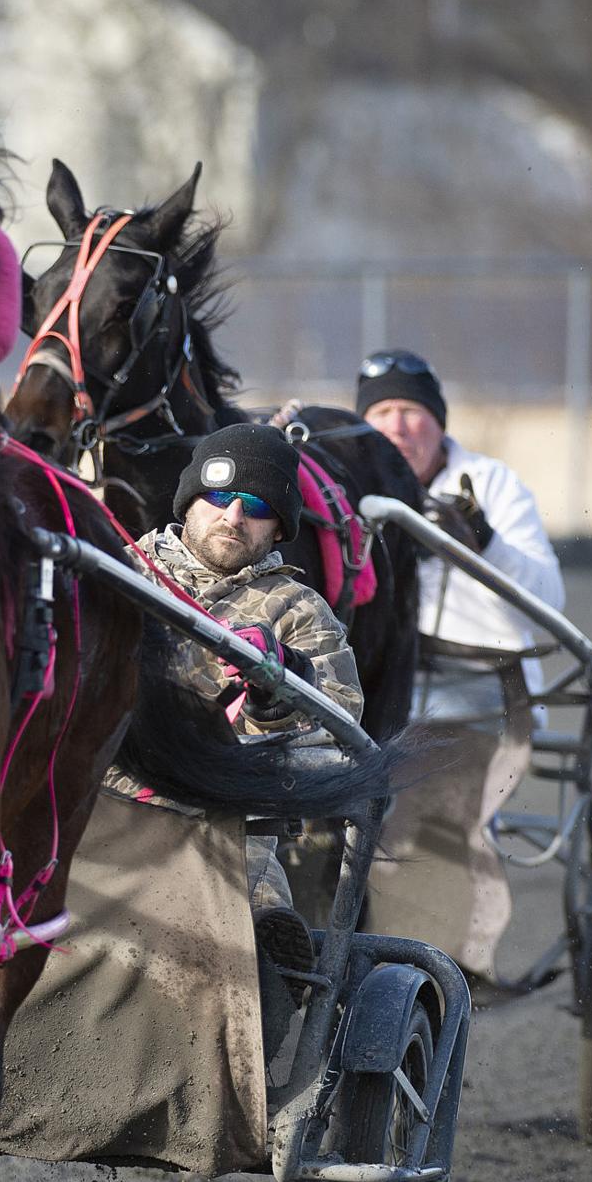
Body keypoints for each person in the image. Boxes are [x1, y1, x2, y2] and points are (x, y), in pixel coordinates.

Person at [102, 423, 364, 1016]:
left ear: (279, 526)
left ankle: (266, 971)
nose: (233, 517)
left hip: (225, 824)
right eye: (220, 498)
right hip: (101, 812)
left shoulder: (300, 612)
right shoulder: (115, 577)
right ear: (190, 500)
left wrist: (281, 692)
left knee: (250, 907)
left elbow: (339, 731)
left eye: (257, 507)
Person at [355, 349, 565, 998]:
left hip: (479, 700)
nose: (398, 426)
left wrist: (483, 540)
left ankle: (430, 969)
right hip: (375, 694)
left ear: (438, 422)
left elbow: (549, 599)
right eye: (383, 411)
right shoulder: (347, 481)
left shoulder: (491, 485)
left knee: (413, 816)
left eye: (412, 411)